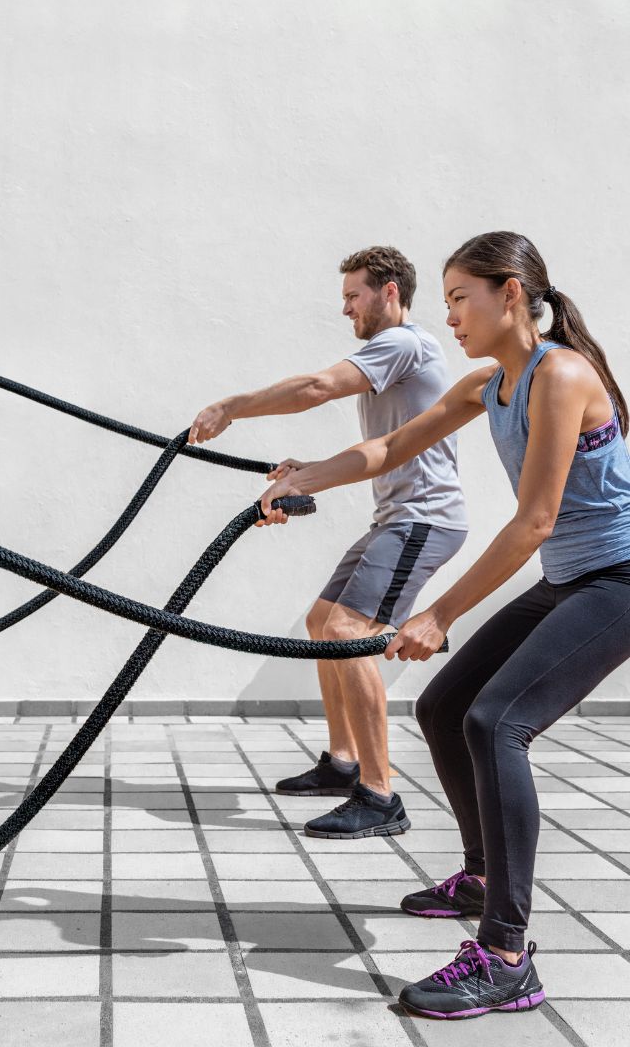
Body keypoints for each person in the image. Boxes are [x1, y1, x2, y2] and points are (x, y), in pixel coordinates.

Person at [260, 230, 630, 1019]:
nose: (451, 315)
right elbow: (391, 445)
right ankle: (483, 877)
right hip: (571, 579)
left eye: (462, 298)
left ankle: (506, 956)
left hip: (618, 581)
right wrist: (304, 478)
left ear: (510, 294)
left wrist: (439, 611)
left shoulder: (560, 374)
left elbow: (533, 522)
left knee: (498, 722)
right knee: (442, 706)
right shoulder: (488, 383)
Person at [190, 246, 467, 839]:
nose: (345, 308)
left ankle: (379, 793)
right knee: (323, 621)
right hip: (397, 514)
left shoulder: (404, 343)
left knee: (348, 632)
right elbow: (385, 451)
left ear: (389, 291)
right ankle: (344, 763)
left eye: (353, 296)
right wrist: (308, 469)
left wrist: (232, 406)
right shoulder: (390, 359)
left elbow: (317, 387)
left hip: (425, 519)